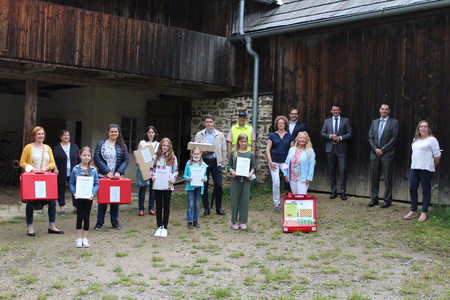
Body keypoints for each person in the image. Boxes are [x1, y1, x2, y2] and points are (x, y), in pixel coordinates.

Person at [19, 126, 64, 236]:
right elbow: (22, 162)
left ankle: (52, 226)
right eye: (38, 134)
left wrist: (46, 168)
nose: (41, 136)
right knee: (30, 202)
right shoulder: (28, 147)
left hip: (45, 178)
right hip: (33, 178)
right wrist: (32, 169)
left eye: (42, 134)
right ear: (34, 135)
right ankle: (30, 227)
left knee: (52, 201)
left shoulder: (47, 148)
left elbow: (52, 162)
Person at [403, 121, 441, 222]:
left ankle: (424, 212)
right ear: (418, 128)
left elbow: (437, 156)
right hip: (415, 167)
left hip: (426, 169)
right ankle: (413, 211)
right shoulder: (416, 139)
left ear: (428, 128)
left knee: (425, 190)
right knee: (412, 188)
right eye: (421, 126)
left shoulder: (432, 140)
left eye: (425, 127)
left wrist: (431, 165)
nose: (423, 128)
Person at [93, 124, 129, 230]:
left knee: (115, 199)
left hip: (117, 177)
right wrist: (106, 171)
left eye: (116, 132)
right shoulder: (101, 144)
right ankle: (100, 222)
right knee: (103, 200)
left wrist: (119, 172)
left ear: (118, 133)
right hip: (104, 176)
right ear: (108, 132)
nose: (114, 133)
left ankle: (114, 221)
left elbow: (126, 160)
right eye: (112, 131)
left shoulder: (122, 145)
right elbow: (97, 158)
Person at [194, 114, 227, 216]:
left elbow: (224, 149)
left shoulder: (219, 135)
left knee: (218, 185)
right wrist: (201, 152)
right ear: (204, 123)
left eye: (210, 122)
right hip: (203, 162)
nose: (209, 124)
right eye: (207, 122)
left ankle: (218, 208)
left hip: (215, 161)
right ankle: (206, 208)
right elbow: (195, 149)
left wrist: (223, 162)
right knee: (204, 185)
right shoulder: (199, 135)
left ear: (213, 123)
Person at [367, 104, 399, 208]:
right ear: (379, 110)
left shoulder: (394, 123)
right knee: (374, 177)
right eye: (382, 109)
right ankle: (374, 198)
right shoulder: (374, 122)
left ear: (389, 111)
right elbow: (370, 136)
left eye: (386, 109)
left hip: (387, 155)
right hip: (375, 154)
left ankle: (387, 200)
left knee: (388, 178)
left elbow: (394, 139)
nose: (384, 111)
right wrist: (375, 148)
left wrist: (383, 149)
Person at [320, 104, 353, 200]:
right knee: (331, 171)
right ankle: (333, 191)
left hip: (341, 149)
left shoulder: (345, 121)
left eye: (337, 110)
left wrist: (341, 138)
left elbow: (350, 133)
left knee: (342, 170)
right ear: (331, 111)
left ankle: (343, 192)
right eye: (334, 110)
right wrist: (330, 136)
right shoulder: (327, 121)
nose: (336, 112)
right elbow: (322, 133)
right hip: (330, 149)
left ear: (340, 110)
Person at [69, 147, 99, 248]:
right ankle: (78, 238)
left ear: (91, 157)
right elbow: (72, 183)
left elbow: (96, 184)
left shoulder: (94, 170)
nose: (86, 157)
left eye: (88, 155)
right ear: (80, 156)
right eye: (84, 155)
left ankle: (85, 238)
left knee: (87, 217)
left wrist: (92, 193)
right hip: (78, 197)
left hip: (88, 198)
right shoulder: (75, 169)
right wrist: (74, 193)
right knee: (79, 217)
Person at [150, 137, 179, 238]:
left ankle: (165, 226)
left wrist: (172, 179)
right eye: (163, 145)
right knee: (158, 205)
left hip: (168, 185)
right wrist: (153, 177)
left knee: (166, 205)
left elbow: (175, 171)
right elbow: (151, 169)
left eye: (167, 145)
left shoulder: (173, 158)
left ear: (169, 146)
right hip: (157, 185)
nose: (165, 147)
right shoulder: (155, 157)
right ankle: (159, 225)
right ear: (160, 146)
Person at [227, 133, 255, 230]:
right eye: (241, 141)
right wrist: (232, 171)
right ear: (238, 142)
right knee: (234, 200)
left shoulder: (250, 154)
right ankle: (234, 221)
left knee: (244, 200)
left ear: (247, 142)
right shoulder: (233, 153)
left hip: (246, 180)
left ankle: (243, 221)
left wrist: (251, 173)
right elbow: (228, 166)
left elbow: (253, 166)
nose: (243, 143)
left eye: (245, 141)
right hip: (236, 180)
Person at [266, 115, 294, 211]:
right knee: (276, 182)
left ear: (285, 124)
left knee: (291, 180)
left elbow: (292, 151)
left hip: (285, 162)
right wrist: (270, 162)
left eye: (282, 123)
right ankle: (277, 203)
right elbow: (267, 149)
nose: (281, 124)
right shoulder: (272, 135)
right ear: (276, 125)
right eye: (279, 123)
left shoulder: (290, 136)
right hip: (274, 162)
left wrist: (290, 164)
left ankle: (293, 200)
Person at [53, 129, 80, 216]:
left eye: (68, 135)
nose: (66, 137)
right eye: (64, 135)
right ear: (61, 137)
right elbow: (53, 160)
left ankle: (76, 207)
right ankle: (62, 209)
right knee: (61, 189)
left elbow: (79, 159)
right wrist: (55, 168)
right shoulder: (57, 148)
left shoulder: (75, 146)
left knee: (75, 189)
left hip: (73, 172)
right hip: (61, 172)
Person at [136, 125, 159, 216]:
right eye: (149, 132)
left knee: (152, 189)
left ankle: (151, 208)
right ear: (146, 133)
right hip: (143, 168)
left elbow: (159, 156)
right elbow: (138, 155)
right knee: (143, 188)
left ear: (155, 133)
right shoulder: (142, 143)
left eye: (152, 132)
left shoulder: (157, 144)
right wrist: (138, 162)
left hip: (153, 168)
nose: (151, 134)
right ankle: (141, 208)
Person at [183, 147, 207, 229]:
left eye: (198, 154)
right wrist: (188, 178)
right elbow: (185, 174)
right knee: (191, 204)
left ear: (200, 154)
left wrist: (205, 179)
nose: (196, 155)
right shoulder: (188, 163)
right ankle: (189, 221)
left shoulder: (203, 164)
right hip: (191, 187)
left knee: (197, 204)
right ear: (192, 154)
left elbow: (205, 176)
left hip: (199, 187)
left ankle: (195, 220)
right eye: (195, 154)